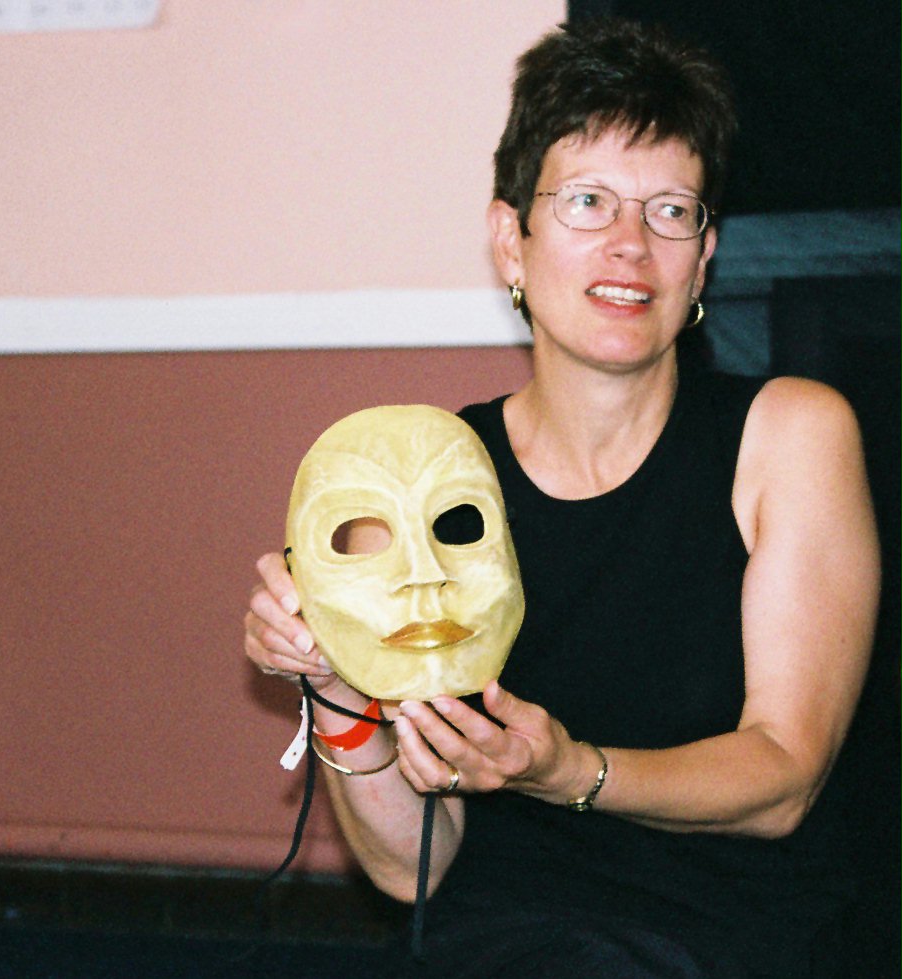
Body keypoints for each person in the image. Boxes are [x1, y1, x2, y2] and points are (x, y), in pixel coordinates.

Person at [243, 19, 880, 979]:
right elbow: (411, 871)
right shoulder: (436, 476)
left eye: (671, 211)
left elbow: (784, 776)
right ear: (512, 239)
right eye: (588, 202)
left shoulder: (791, 433)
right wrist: (339, 694)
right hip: (508, 938)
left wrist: (568, 769)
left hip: (737, 936)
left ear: (702, 259)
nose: (631, 245)